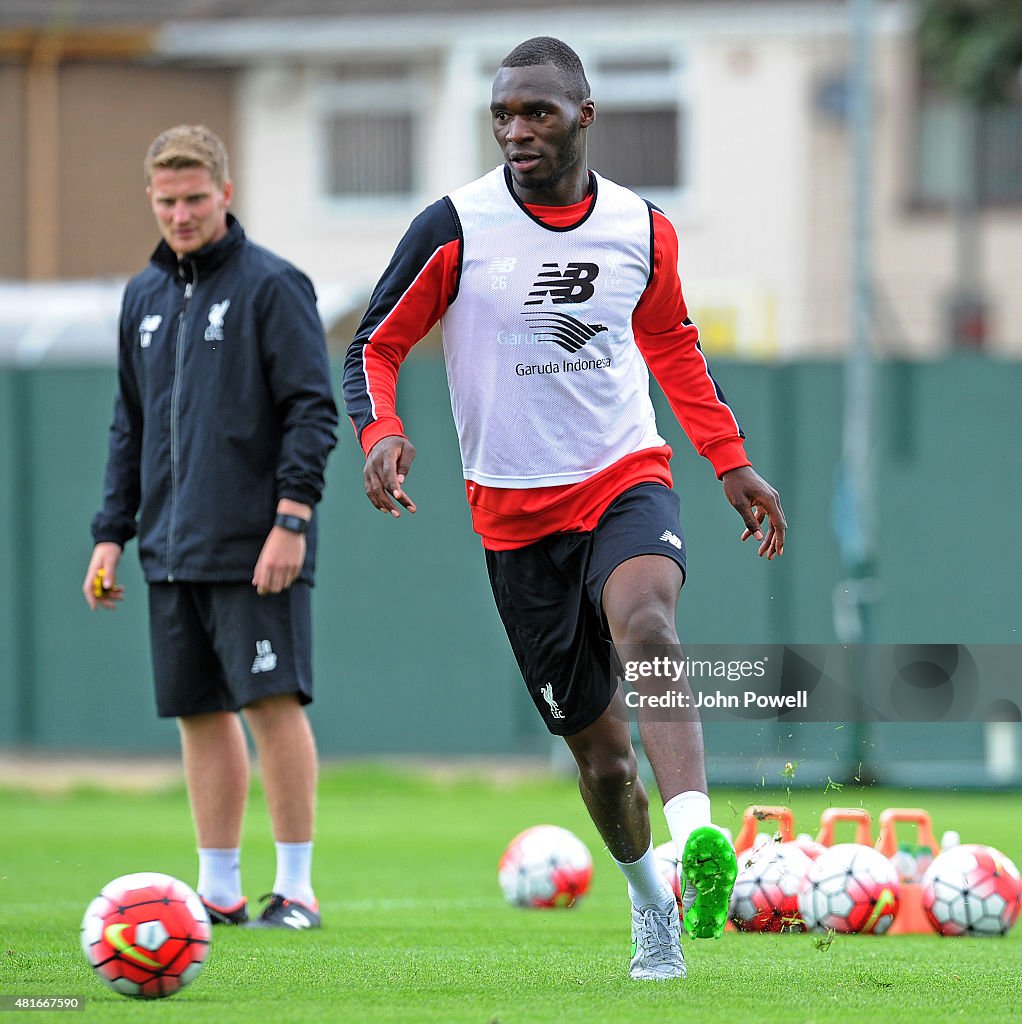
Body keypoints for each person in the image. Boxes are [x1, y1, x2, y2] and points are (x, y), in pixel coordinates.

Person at [344, 37, 786, 979]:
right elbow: (372, 346)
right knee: (604, 761)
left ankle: (698, 841)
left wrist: (731, 463)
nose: (517, 131)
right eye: (502, 114)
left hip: (624, 474)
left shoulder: (641, 227)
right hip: (514, 520)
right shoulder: (454, 226)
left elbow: (670, 345)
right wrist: (379, 433)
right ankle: (649, 902)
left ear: (585, 115)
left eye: (537, 112)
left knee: (649, 624)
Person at [83, 125, 338, 931]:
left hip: (257, 544)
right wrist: (110, 532)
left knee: (270, 702)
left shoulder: (274, 286)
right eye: (167, 201)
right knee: (199, 710)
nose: (181, 214)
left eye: (195, 199)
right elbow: (131, 424)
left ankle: (295, 889)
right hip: (169, 544)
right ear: (151, 200)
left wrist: (291, 519)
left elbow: (312, 410)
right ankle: (219, 892)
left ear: (225, 194)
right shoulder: (143, 298)